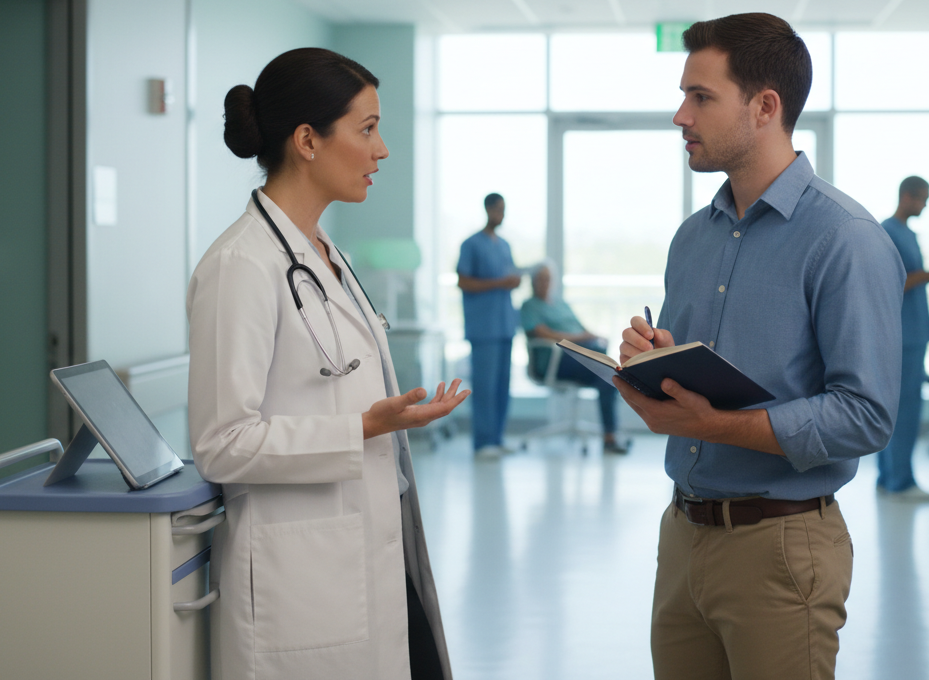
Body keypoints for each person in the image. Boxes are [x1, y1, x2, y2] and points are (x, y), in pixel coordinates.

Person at [616, 13, 903, 679]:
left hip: (780, 545)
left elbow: (866, 416)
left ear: (765, 107)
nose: (681, 116)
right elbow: (706, 372)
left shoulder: (846, 239)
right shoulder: (694, 236)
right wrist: (658, 361)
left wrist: (712, 424)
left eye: (701, 97)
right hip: (682, 536)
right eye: (684, 95)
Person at [187, 48, 469, 680]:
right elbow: (221, 444)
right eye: (366, 129)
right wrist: (363, 428)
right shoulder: (241, 266)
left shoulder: (321, 253)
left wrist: (386, 421)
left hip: (366, 554)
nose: (381, 150)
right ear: (308, 140)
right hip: (300, 585)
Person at [879, 176, 929, 502]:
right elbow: (892, 281)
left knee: (897, 408)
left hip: (913, 331)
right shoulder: (889, 231)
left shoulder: (907, 233)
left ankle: (888, 478)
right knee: (903, 410)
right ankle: (900, 481)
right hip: (903, 336)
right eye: (923, 198)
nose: (925, 205)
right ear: (907, 196)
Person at [519, 261, 629, 455]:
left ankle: (610, 437)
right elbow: (542, 333)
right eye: (540, 279)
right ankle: (610, 436)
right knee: (607, 372)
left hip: (578, 355)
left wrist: (593, 336)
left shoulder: (560, 304)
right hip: (555, 361)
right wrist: (578, 339)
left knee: (610, 377)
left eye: (548, 279)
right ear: (533, 282)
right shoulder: (529, 306)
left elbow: (582, 328)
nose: (544, 283)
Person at [457, 193, 522, 459]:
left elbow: (510, 275)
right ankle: (483, 442)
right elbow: (463, 281)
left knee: (502, 386)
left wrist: (514, 281)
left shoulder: (504, 245)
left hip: (505, 325)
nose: (501, 215)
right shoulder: (471, 244)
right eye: (498, 209)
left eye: (504, 210)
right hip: (484, 328)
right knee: (484, 386)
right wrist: (499, 283)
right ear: (487, 209)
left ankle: (497, 438)